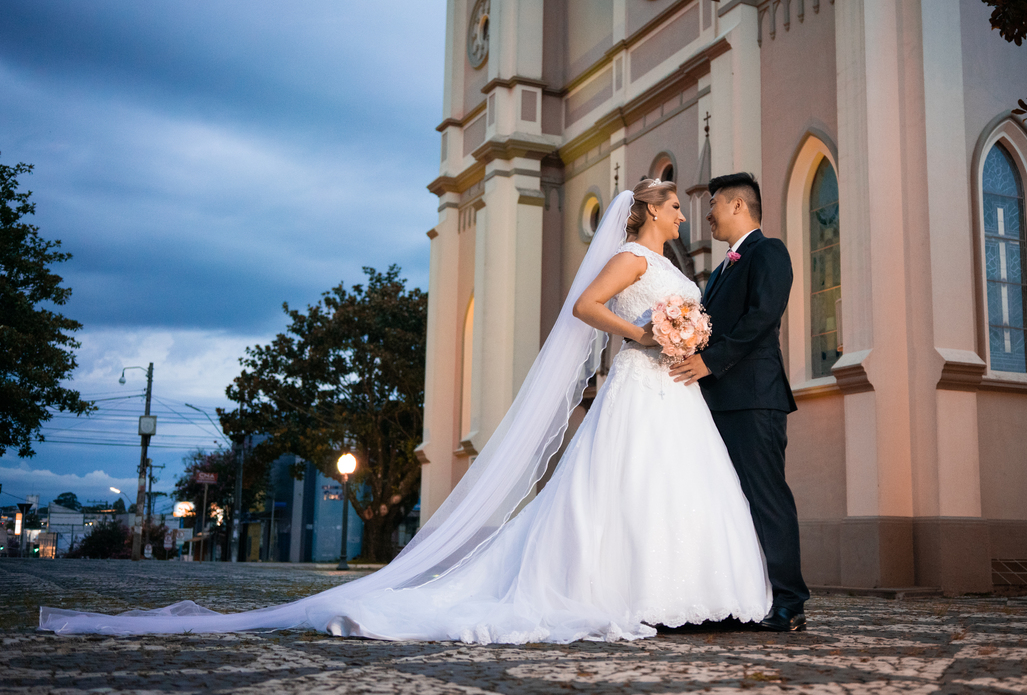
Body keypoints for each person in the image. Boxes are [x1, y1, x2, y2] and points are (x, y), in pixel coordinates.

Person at [41, 179, 771, 643]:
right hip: (637, 387)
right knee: (624, 492)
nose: (685, 211)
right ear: (650, 211)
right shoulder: (635, 261)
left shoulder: (678, 268)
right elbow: (583, 307)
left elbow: (685, 319)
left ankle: (690, 596)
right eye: (676, 203)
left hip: (674, 393)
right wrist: (644, 331)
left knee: (679, 490)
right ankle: (628, 593)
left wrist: (685, 337)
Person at [670, 172, 810, 632]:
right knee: (729, 502)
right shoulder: (722, 269)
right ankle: (745, 596)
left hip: (753, 398)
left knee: (766, 498)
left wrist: (711, 362)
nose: (706, 214)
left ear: (736, 206)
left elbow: (762, 317)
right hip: (716, 403)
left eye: (713, 205)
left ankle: (789, 601)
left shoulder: (768, 252)